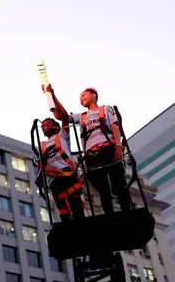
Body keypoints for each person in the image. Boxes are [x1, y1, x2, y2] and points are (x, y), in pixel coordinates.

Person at [45, 84, 133, 214]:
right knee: (103, 189)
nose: (81, 99)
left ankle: (128, 213)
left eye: (83, 95)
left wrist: (118, 147)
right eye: (80, 98)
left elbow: (115, 127)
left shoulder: (105, 109)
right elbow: (61, 116)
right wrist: (52, 95)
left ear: (93, 95)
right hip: (92, 155)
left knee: (118, 184)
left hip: (108, 149)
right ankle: (109, 215)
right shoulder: (82, 116)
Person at [35, 116, 85, 222]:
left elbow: (64, 116)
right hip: (53, 179)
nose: (45, 126)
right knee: (62, 208)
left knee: (74, 202)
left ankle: (80, 222)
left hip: (67, 173)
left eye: (48, 123)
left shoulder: (62, 135)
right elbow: (40, 168)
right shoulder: (42, 146)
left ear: (56, 126)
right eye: (43, 126)